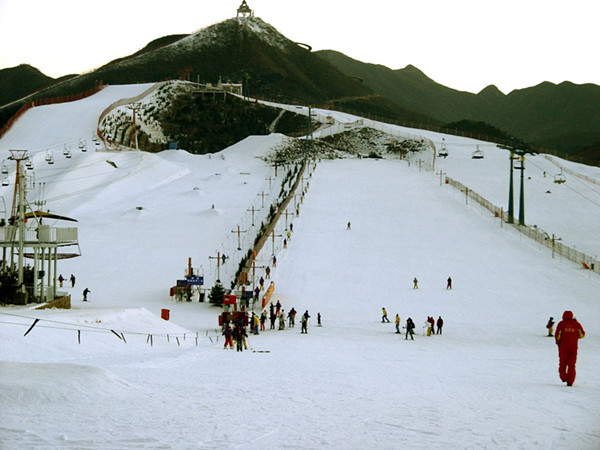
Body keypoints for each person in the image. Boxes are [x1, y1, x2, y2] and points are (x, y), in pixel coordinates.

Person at [555, 311, 585, 386]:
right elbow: (582, 335)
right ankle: (570, 381)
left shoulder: (561, 324)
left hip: (563, 348)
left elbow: (557, 335)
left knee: (562, 363)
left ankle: (563, 377)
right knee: (572, 365)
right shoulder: (576, 324)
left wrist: (558, 343)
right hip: (573, 348)